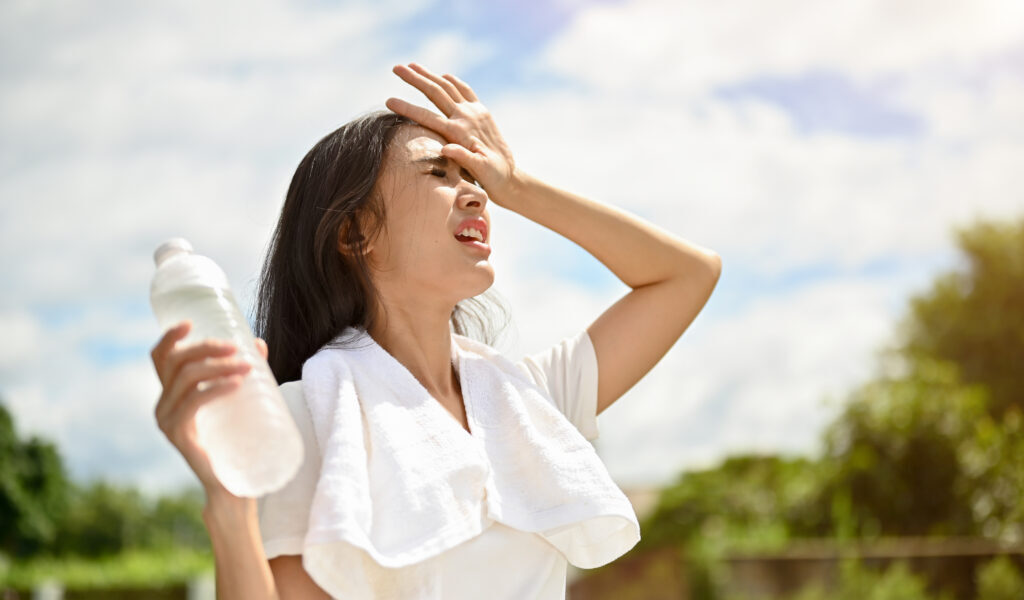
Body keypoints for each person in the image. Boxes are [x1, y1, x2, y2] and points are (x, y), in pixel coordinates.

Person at [150, 63, 721, 599]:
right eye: (440, 173)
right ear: (355, 235)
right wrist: (229, 504)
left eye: (474, 174)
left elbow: (687, 274)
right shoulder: (310, 417)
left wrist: (519, 185)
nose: (477, 192)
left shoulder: (529, 405)